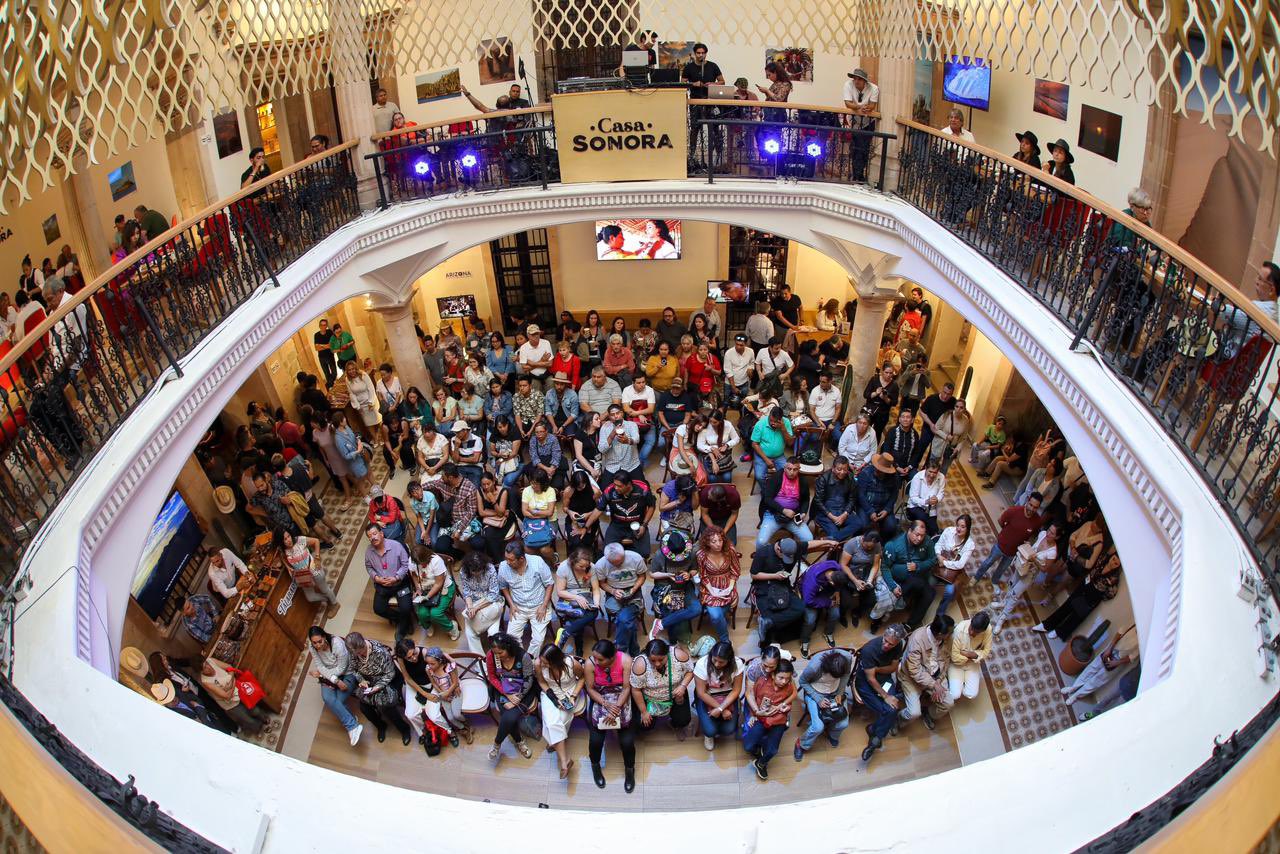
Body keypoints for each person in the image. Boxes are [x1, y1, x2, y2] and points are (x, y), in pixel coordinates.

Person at [584, 638, 636, 791]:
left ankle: (629, 769)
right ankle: (595, 765)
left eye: (600, 659)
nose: (595, 661)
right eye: (594, 657)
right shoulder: (590, 664)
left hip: (621, 697)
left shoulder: (626, 660)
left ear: (612, 657)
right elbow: (590, 689)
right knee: (595, 740)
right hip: (601, 698)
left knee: (627, 742)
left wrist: (616, 708)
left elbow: (626, 688)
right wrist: (606, 704)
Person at [855, 623, 907, 762]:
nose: (886, 645)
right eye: (885, 640)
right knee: (889, 710)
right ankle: (874, 735)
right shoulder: (869, 650)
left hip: (884, 679)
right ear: (883, 635)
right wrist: (886, 696)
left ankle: (874, 737)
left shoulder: (899, 644)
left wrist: (877, 669)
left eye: (891, 644)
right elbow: (870, 679)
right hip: (865, 683)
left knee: (891, 709)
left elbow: (893, 668)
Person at [875, 519, 939, 630]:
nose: (919, 538)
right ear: (910, 531)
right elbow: (885, 567)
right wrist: (893, 586)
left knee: (930, 593)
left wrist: (918, 566)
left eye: (922, 536)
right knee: (916, 584)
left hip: (918, 574)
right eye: (917, 534)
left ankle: (911, 624)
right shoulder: (893, 545)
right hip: (899, 575)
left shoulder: (927, 541)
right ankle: (879, 618)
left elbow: (933, 560)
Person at [484, 632, 538, 761]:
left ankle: (497, 744)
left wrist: (518, 697)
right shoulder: (492, 656)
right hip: (503, 689)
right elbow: (492, 677)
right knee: (510, 718)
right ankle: (519, 742)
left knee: (509, 717)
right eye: (495, 653)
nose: (497, 656)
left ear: (508, 648)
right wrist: (507, 694)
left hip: (524, 690)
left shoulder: (523, 656)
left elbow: (529, 678)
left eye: (500, 653)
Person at [793, 647, 854, 761]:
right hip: (815, 691)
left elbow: (846, 676)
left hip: (835, 690)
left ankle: (832, 733)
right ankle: (801, 744)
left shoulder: (847, 658)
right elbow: (802, 682)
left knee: (843, 723)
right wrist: (818, 699)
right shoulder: (814, 667)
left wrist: (840, 693)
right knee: (817, 727)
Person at [535, 642, 585, 779]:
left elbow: (582, 678)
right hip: (550, 693)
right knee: (552, 723)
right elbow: (542, 682)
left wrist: (574, 696)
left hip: (570, 694)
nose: (543, 664)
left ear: (556, 660)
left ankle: (553, 742)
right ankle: (565, 761)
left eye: (546, 663)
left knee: (559, 722)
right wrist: (553, 698)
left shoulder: (571, 663)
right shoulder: (538, 664)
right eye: (542, 661)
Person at [741, 657, 796, 780]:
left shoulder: (790, 687)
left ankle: (760, 763)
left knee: (772, 751)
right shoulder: (760, 683)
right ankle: (760, 745)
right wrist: (752, 715)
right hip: (760, 718)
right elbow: (751, 700)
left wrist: (785, 708)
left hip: (778, 720)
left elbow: (789, 704)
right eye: (781, 678)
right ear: (773, 675)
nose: (784, 682)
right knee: (748, 747)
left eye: (787, 679)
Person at [898, 615, 956, 730]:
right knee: (913, 713)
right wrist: (934, 685)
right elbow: (914, 671)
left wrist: (939, 680)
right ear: (940, 634)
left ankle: (928, 713)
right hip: (911, 678)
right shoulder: (917, 640)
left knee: (948, 703)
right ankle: (898, 720)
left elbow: (946, 659)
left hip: (935, 677)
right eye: (949, 633)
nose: (951, 634)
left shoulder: (946, 638)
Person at [306, 627, 363, 745]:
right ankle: (353, 724)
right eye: (314, 643)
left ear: (324, 637)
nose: (317, 646)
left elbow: (341, 669)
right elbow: (319, 666)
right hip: (330, 676)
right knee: (327, 698)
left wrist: (323, 676)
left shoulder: (337, 644)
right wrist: (332, 679)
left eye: (319, 642)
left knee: (337, 701)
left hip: (348, 673)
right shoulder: (312, 647)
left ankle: (352, 725)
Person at [974, 492, 1045, 584]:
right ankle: (976, 577)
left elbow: (1033, 534)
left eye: (1035, 507)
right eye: (1030, 505)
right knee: (988, 562)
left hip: (1013, 552)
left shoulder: (1037, 521)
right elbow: (1000, 521)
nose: (1031, 509)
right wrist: (1007, 533)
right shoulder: (1014, 511)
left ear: (1038, 508)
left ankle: (994, 581)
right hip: (1000, 546)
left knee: (1002, 569)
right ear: (1027, 500)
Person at [498, 541, 554, 653]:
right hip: (518, 608)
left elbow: (549, 584)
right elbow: (503, 587)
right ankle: (521, 659)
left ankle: (530, 661)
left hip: (538, 607)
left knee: (538, 641)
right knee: (511, 640)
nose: (507, 562)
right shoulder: (503, 566)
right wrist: (512, 605)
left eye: (511, 560)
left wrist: (543, 606)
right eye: (506, 558)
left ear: (522, 559)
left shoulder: (537, 562)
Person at [631, 638, 694, 737]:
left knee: (683, 720)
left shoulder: (678, 655)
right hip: (650, 699)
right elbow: (635, 690)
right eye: (653, 660)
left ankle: (674, 723)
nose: (657, 664)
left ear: (667, 653)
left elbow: (690, 671)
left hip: (675, 695)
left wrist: (683, 686)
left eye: (661, 660)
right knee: (644, 725)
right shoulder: (640, 664)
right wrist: (643, 711)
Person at [593, 542, 648, 655]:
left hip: (633, 590)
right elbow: (602, 583)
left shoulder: (635, 557)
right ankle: (634, 651)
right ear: (607, 559)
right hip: (613, 591)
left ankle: (620, 650)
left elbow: (642, 576)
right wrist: (613, 591)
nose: (618, 565)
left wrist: (634, 588)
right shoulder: (600, 564)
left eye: (620, 561)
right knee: (626, 621)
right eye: (614, 563)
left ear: (624, 554)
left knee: (623, 619)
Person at [364, 523, 416, 641]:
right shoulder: (369, 551)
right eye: (369, 536)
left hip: (400, 583)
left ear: (381, 534)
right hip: (382, 586)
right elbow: (368, 567)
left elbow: (406, 564)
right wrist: (376, 578)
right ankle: (403, 620)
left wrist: (396, 577)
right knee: (378, 609)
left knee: (406, 608)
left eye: (374, 534)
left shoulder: (396, 546)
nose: (373, 537)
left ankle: (402, 627)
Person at [751, 537, 805, 646]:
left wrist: (828, 542)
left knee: (800, 608)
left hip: (783, 585)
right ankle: (766, 642)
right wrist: (774, 576)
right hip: (764, 586)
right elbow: (754, 575)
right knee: (770, 609)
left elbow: (810, 544)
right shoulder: (763, 553)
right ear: (778, 548)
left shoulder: (794, 547)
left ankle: (769, 622)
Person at [693, 641, 744, 751]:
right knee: (710, 731)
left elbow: (736, 690)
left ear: (729, 660)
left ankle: (714, 722)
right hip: (707, 696)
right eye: (714, 660)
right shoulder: (702, 664)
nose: (716, 664)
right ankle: (709, 734)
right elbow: (701, 693)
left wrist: (721, 708)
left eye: (721, 662)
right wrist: (722, 710)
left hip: (728, 696)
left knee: (728, 730)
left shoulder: (738, 664)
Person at [277, 528, 340, 616]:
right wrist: (288, 567)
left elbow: (316, 541)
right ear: (281, 541)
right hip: (303, 576)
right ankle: (328, 598)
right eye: (285, 539)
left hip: (314, 570)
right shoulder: (283, 550)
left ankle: (335, 604)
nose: (288, 540)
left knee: (325, 589)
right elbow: (282, 557)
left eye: (289, 536)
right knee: (311, 597)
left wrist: (317, 557)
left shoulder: (299, 540)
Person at [200, 656, 270, 734]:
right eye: (204, 668)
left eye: (206, 664)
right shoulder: (206, 681)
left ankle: (264, 718)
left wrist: (230, 685)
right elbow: (227, 696)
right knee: (247, 719)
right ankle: (260, 729)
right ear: (201, 671)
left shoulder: (211, 660)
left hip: (239, 691)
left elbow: (230, 668)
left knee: (254, 709)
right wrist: (233, 682)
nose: (208, 667)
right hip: (230, 704)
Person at [553, 547, 602, 655]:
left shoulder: (591, 568)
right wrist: (577, 597)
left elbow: (595, 589)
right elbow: (560, 592)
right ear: (572, 562)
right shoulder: (563, 568)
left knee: (593, 612)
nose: (584, 569)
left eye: (586, 566)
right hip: (569, 595)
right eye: (581, 566)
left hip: (586, 593)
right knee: (579, 615)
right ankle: (579, 648)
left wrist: (596, 603)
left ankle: (566, 632)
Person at [757, 456, 813, 548]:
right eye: (789, 469)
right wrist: (783, 510)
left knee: (809, 539)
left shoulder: (802, 481)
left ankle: (798, 561)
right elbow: (767, 499)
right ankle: (767, 559)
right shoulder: (776, 478)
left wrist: (803, 513)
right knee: (761, 542)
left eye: (795, 469)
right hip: (773, 514)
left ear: (799, 469)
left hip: (794, 516)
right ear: (784, 468)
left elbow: (806, 499)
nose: (791, 472)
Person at [410, 544, 458, 640]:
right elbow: (414, 575)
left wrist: (427, 597)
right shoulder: (412, 561)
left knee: (435, 613)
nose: (421, 565)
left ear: (427, 556)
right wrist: (418, 588)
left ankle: (452, 627)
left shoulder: (436, 561)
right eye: (419, 563)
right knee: (422, 613)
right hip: (425, 588)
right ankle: (428, 626)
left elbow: (438, 584)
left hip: (443, 588)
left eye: (423, 562)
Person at [932, 514, 975, 619]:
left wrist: (945, 563)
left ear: (968, 528)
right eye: (958, 525)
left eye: (963, 526)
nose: (959, 529)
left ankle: (940, 613)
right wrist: (939, 556)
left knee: (950, 592)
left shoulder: (970, 545)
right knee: (929, 583)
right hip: (940, 563)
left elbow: (960, 564)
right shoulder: (948, 531)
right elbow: (938, 545)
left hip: (953, 570)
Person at [799, 559, 843, 657]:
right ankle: (804, 641)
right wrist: (828, 603)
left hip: (826, 590)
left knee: (836, 614)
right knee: (810, 620)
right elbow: (809, 600)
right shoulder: (812, 581)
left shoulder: (837, 569)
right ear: (832, 582)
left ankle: (828, 633)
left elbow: (839, 585)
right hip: (810, 596)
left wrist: (837, 591)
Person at [838, 531, 883, 627]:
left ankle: (856, 612)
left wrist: (869, 581)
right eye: (867, 547)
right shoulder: (852, 544)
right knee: (846, 602)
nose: (869, 549)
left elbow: (875, 565)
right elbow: (843, 565)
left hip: (865, 574)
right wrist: (855, 581)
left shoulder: (877, 545)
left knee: (871, 600)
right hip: (850, 573)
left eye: (871, 548)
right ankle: (841, 616)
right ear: (863, 540)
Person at [854, 452, 901, 541]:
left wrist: (887, 509)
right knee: (863, 525)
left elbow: (894, 495)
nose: (877, 471)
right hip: (866, 506)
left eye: (880, 470)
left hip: (883, 507)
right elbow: (860, 495)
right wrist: (870, 511)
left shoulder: (894, 477)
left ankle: (882, 544)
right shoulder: (865, 473)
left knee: (891, 526)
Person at [947, 612, 992, 704]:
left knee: (971, 694)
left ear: (983, 630)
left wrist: (970, 654)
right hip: (956, 664)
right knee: (955, 695)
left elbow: (986, 652)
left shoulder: (988, 630)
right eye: (971, 628)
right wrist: (975, 655)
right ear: (971, 621)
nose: (971, 632)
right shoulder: (960, 629)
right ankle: (953, 681)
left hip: (972, 662)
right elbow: (955, 658)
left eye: (976, 632)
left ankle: (959, 682)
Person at [844, 67, 880, 180]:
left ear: (865, 81)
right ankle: (856, 175)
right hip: (855, 121)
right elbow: (847, 103)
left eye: (859, 79)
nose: (856, 81)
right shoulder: (848, 85)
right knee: (856, 148)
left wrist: (865, 108)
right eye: (855, 78)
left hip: (868, 122)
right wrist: (860, 107)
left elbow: (872, 105)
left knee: (864, 148)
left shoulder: (874, 88)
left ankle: (859, 174)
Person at [599, 403, 644, 486]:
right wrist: (612, 435)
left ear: (622, 413)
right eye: (612, 415)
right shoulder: (605, 427)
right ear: (609, 416)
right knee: (605, 491)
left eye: (618, 413)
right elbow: (601, 449)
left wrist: (628, 440)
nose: (616, 416)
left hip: (631, 464)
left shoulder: (631, 425)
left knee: (642, 489)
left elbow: (637, 439)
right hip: (612, 466)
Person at [750, 406, 793, 484]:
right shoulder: (760, 424)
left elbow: (790, 443)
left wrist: (783, 428)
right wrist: (766, 459)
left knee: (788, 473)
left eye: (776, 421)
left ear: (781, 419)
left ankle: (778, 491)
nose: (773, 423)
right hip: (762, 456)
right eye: (771, 420)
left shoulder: (786, 422)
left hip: (779, 455)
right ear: (769, 415)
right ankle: (766, 493)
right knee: (759, 476)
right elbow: (754, 444)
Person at [927, 394, 969, 472]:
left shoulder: (966, 420)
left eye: (961, 407)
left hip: (951, 448)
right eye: (957, 406)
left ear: (964, 409)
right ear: (954, 407)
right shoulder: (947, 415)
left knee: (944, 469)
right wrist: (946, 436)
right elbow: (935, 428)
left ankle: (939, 483)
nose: (958, 409)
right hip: (940, 444)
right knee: (932, 467)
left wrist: (957, 448)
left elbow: (963, 437)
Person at [906, 460, 945, 537]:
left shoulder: (941, 477)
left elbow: (942, 493)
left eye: (935, 472)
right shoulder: (917, 477)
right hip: (915, 507)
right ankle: (935, 533)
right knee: (927, 525)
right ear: (926, 468)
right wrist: (926, 501)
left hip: (931, 509)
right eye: (930, 471)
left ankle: (933, 535)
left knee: (929, 526)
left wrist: (937, 499)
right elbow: (913, 498)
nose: (932, 475)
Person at [862, 362, 900, 437]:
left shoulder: (894, 385)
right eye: (886, 372)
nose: (888, 375)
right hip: (870, 409)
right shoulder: (874, 379)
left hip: (883, 413)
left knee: (877, 434)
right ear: (882, 371)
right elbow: (866, 394)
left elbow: (894, 402)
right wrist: (876, 393)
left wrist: (885, 398)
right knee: (864, 430)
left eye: (891, 373)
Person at [516, 324, 554, 390]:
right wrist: (542, 360)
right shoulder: (524, 347)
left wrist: (532, 363)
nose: (536, 336)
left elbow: (550, 364)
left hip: (547, 373)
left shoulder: (546, 343)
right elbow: (524, 368)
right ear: (528, 335)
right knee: (535, 393)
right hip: (533, 376)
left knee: (551, 387)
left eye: (537, 334)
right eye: (533, 334)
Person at [312, 319, 338, 386]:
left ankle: (328, 385)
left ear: (326, 326)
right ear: (319, 326)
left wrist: (321, 346)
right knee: (327, 374)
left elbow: (332, 344)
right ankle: (331, 387)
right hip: (321, 357)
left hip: (330, 356)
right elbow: (316, 348)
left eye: (324, 325)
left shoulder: (329, 332)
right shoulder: (316, 335)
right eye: (321, 325)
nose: (323, 326)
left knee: (334, 373)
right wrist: (327, 346)